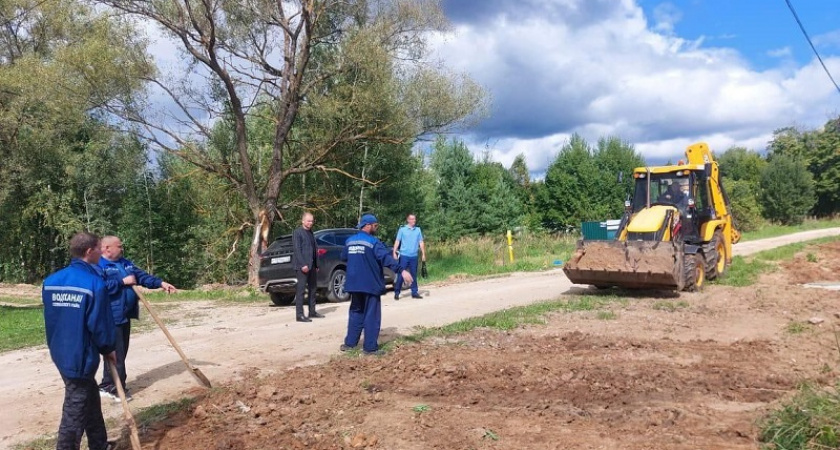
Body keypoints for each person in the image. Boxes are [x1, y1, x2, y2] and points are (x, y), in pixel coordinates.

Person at [42, 232, 116, 450]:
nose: (102, 253)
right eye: (99, 249)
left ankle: (99, 444)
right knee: (74, 410)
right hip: (81, 356)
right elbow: (99, 324)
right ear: (89, 251)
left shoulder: (51, 282)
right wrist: (108, 348)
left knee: (89, 397)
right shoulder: (94, 284)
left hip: (60, 351)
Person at [97, 235, 177, 403]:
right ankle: (117, 388)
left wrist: (161, 283)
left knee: (120, 351)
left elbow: (142, 277)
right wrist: (121, 282)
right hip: (110, 315)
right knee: (117, 354)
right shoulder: (98, 265)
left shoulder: (125, 263)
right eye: (119, 246)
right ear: (107, 248)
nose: (122, 248)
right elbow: (99, 288)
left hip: (125, 314)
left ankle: (107, 384)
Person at [340, 214, 412, 355]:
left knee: (356, 313)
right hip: (370, 284)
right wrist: (401, 270)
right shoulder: (373, 242)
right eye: (375, 225)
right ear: (368, 225)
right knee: (371, 316)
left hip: (354, 284)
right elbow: (386, 259)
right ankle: (370, 348)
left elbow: (343, 257)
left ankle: (350, 344)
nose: (376, 228)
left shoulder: (349, 241)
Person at [292, 211, 323, 322]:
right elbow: (297, 250)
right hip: (302, 266)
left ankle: (312, 311)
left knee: (313, 289)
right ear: (303, 221)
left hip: (312, 266)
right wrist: (303, 264)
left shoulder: (311, 233)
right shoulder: (298, 232)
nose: (310, 223)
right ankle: (299, 315)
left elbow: (314, 249)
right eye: (308, 221)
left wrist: (317, 264)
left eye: (312, 221)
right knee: (301, 290)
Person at [392, 213, 426, 300]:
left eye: (414, 219)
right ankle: (397, 292)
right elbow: (397, 241)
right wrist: (394, 252)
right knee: (401, 274)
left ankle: (414, 292)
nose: (413, 220)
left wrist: (423, 254)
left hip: (414, 256)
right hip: (404, 256)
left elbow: (421, 242)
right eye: (411, 219)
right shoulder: (402, 229)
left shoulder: (418, 230)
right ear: (408, 220)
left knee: (413, 274)